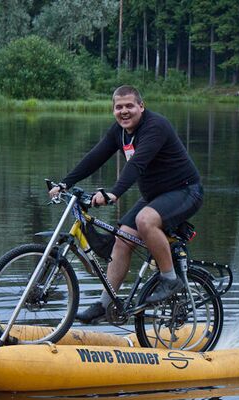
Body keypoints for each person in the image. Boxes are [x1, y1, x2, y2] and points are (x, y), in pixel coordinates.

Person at [48, 85, 203, 324]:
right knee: (122, 239)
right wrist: (65, 184)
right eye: (118, 107)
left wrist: (114, 194)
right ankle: (105, 304)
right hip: (155, 197)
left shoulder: (155, 127)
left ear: (141, 106)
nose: (124, 111)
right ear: (113, 110)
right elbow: (95, 157)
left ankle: (170, 278)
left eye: (129, 106)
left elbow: (137, 164)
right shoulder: (119, 133)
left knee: (144, 220)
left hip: (184, 191)